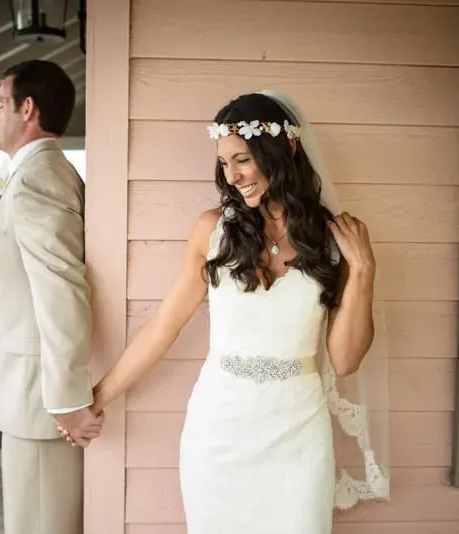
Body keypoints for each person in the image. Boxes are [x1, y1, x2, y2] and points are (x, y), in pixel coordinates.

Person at [62, 91, 391, 532]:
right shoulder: (212, 230)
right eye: (223, 163)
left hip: (298, 433)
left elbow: (346, 360)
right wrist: (95, 399)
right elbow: (163, 327)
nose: (232, 175)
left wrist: (365, 270)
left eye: (242, 160)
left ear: (285, 149)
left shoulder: (332, 241)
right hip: (218, 431)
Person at [0, 59, 102, 534]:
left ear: (27, 109)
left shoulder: (39, 178)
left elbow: (60, 288)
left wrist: (67, 397)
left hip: (41, 399)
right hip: (29, 392)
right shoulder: (33, 173)